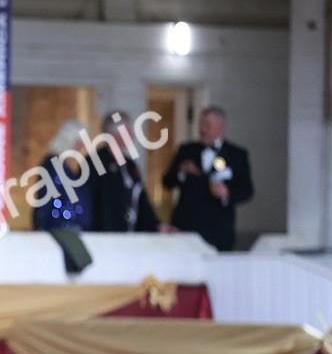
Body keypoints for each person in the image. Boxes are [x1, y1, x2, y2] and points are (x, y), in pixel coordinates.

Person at [160, 105, 254, 251]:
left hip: (219, 230)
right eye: (201, 124)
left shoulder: (237, 155)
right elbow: (167, 182)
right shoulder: (186, 150)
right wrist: (181, 172)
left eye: (207, 125)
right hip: (186, 227)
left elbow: (247, 190)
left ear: (220, 127)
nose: (202, 129)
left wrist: (227, 192)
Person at [91, 111, 160, 233]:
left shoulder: (130, 165)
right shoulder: (95, 162)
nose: (132, 135)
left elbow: (141, 198)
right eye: (128, 131)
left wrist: (156, 225)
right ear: (114, 135)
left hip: (132, 234)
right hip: (106, 235)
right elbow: (97, 201)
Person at [31, 119, 95, 232]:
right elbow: (46, 202)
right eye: (79, 141)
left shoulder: (62, 167)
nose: (81, 146)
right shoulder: (54, 167)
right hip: (61, 231)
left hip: (69, 230)